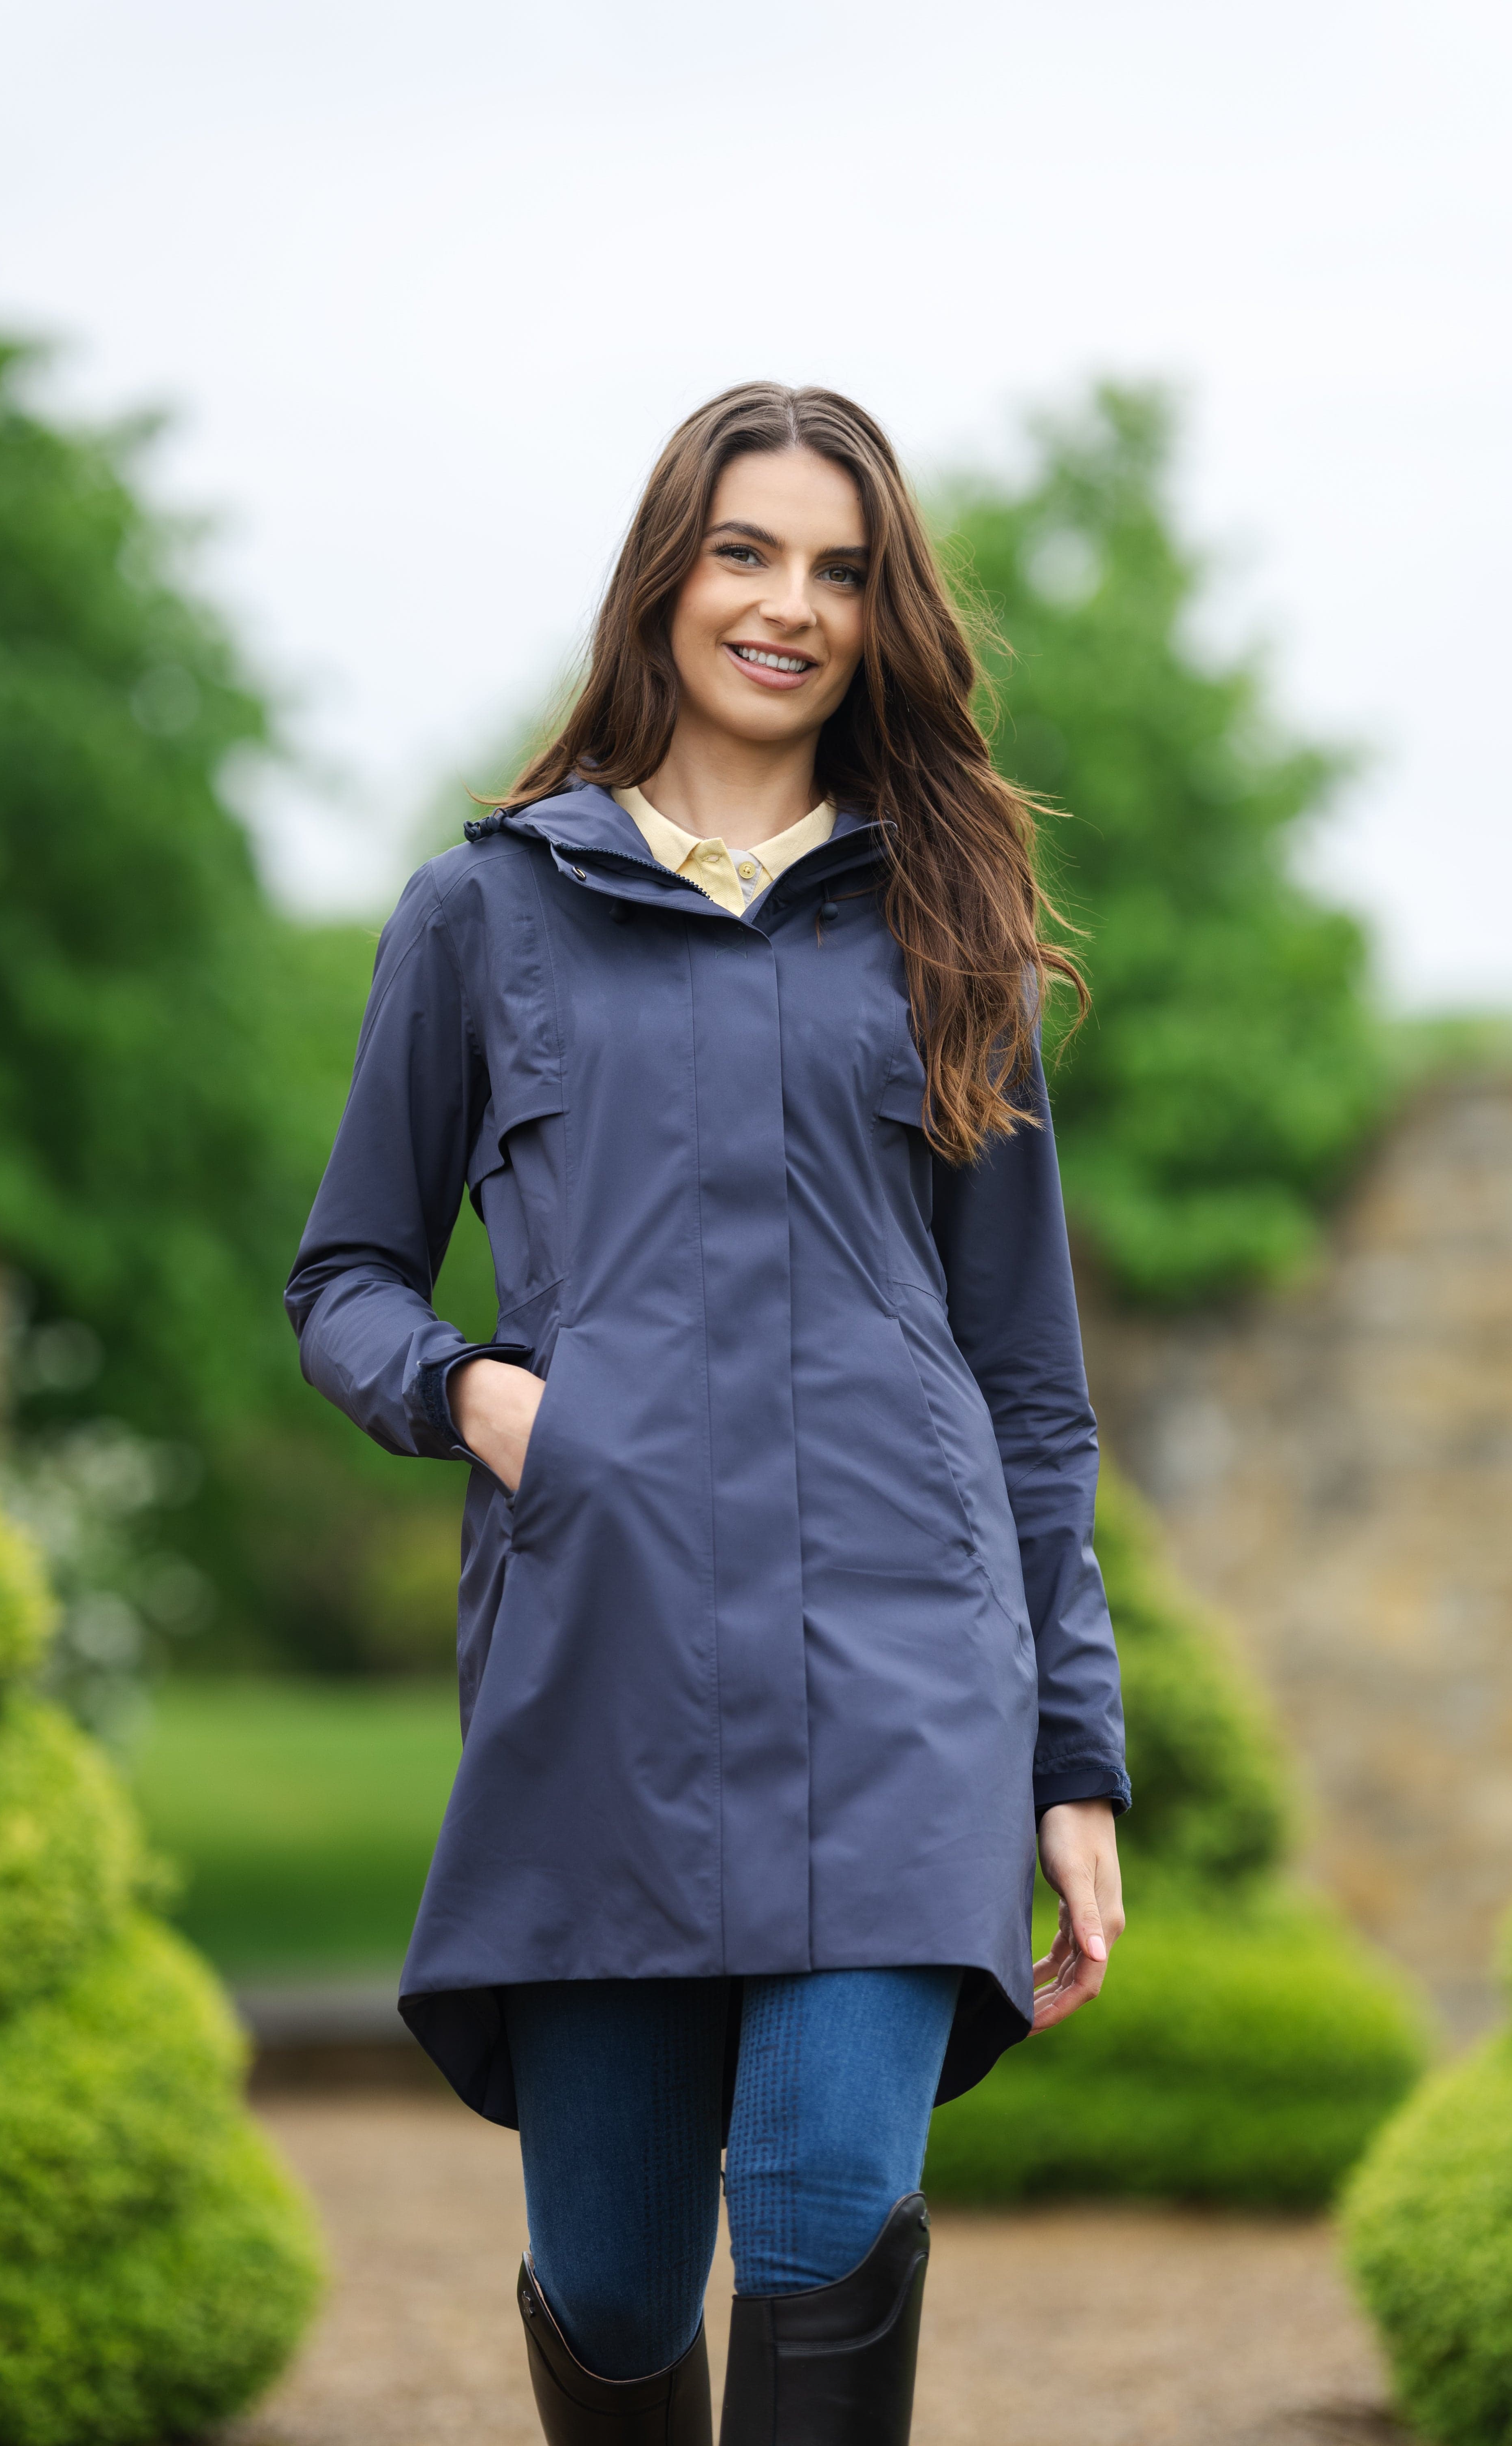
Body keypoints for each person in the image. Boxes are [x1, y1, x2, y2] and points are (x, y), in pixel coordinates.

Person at [286, 382, 1128, 2446]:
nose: (790, 607)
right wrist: (483, 1400)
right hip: (606, 1662)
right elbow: (344, 1281)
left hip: (902, 1658)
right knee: (610, 2276)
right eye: (747, 553)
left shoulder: (946, 927)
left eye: (839, 571)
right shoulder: (483, 913)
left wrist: (1072, 1758)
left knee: (829, 2207)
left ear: (880, 614)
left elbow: (1027, 1383)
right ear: (667, 576)